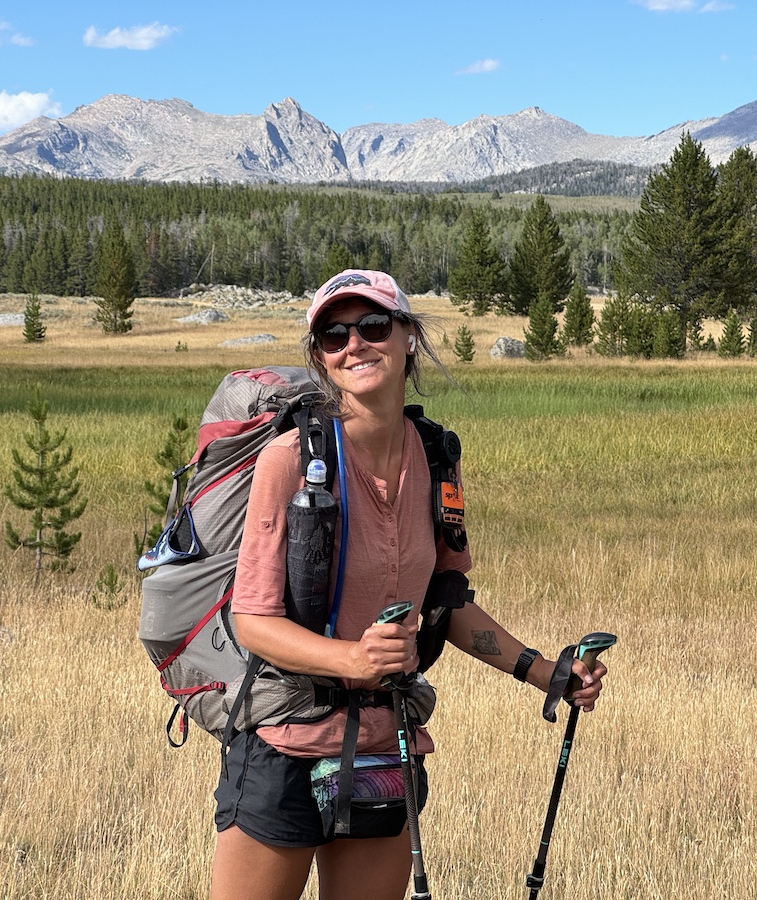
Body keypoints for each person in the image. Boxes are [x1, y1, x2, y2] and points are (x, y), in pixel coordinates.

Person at [210, 269, 607, 900]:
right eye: (333, 336)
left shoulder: (436, 458)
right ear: (319, 358)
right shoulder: (289, 460)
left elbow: (447, 602)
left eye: (372, 326)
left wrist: (544, 672)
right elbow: (253, 622)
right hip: (284, 746)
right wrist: (353, 658)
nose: (354, 346)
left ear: (408, 340)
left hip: (384, 747)